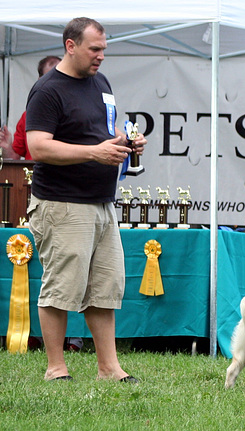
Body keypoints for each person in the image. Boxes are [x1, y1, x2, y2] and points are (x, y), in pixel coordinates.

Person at [26, 17, 146, 382]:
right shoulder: (47, 90)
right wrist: (94, 153)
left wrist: (126, 143)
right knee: (61, 287)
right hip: (62, 204)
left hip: (101, 202)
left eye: (104, 50)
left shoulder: (101, 83)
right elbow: (38, 146)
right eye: (95, 49)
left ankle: (109, 368)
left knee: (105, 288)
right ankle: (55, 367)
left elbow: (100, 133)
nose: (101, 57)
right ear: (70, 46)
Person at [0, 56, 62, 161]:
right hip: (37, 175)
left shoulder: (79, 112)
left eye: (60, 78)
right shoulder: (28, 116)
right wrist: (6, 147)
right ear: (40, 80)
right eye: (50, 78)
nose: (55, 83)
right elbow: (14, 158)